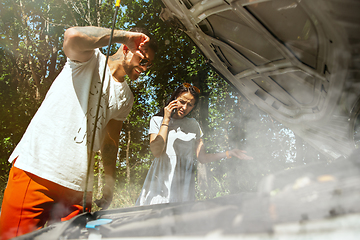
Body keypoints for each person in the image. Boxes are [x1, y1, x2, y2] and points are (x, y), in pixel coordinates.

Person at [0, 26, 157, 239]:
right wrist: (125, 35)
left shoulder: (126, 98)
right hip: (39, 170)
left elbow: (110, 144)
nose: (145, 68)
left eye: (149, 65)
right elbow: (72, 36)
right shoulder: (89, 59)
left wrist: (109, 188)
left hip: (79, 190)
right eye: (144, 60)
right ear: (126, 48)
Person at [136, 83, 252, 206]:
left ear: (193, 107)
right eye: (182, 101)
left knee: (180, 220)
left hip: (183, 182)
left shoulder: (194, 125)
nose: (184, 107)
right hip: (161, 180)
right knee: (155, 218)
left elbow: (202, 158)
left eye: (189, 104)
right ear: (174, 98)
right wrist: (166, 120)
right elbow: (156, 151)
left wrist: (229, 153)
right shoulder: (157, 120)